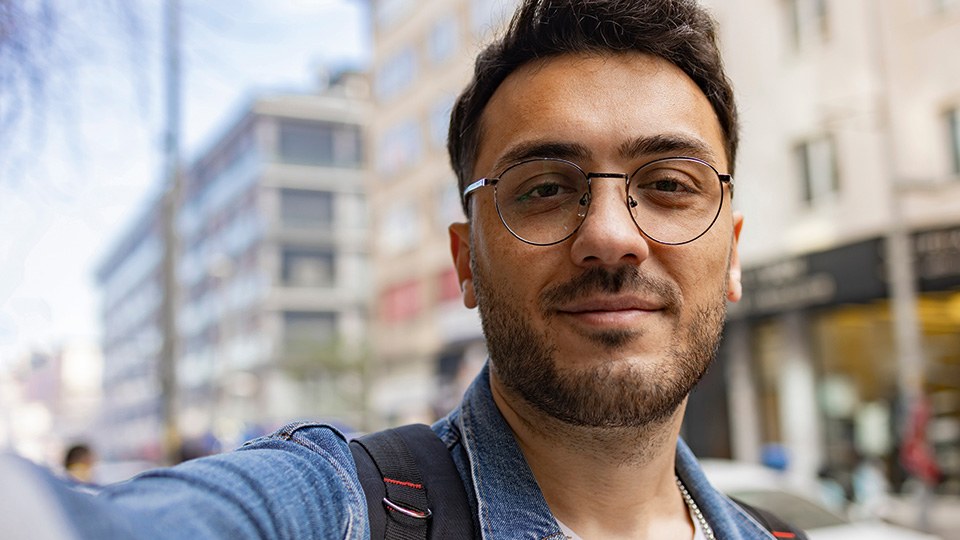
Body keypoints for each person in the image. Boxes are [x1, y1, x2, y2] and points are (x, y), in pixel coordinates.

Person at [0, 0, 805, 538]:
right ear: (466, 261)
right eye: (545, 189)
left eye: (667, 185)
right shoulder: (337, 506)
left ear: (731, 252)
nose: (608, 236)